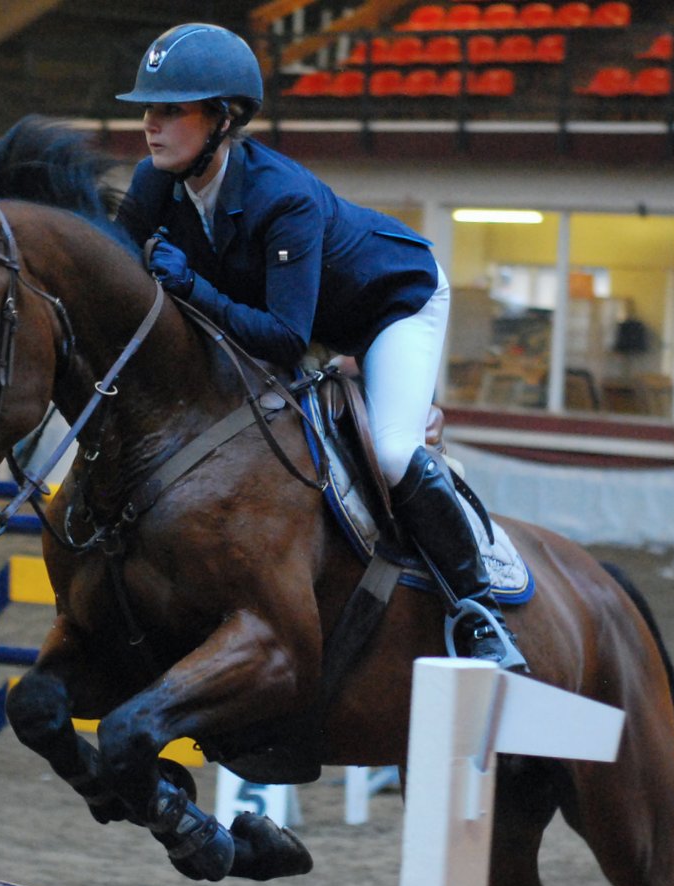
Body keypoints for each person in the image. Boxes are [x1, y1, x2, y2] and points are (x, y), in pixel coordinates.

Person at [115, 23, 525, 671]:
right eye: (148, 109)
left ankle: (478, 612)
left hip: (395, 304)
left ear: (223, 119)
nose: (150, 124)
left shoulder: (284, 199)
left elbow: (282, 343)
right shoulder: (153, 184)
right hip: (317, 322)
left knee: (392, 451)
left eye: (171, 110)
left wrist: (188, 283)